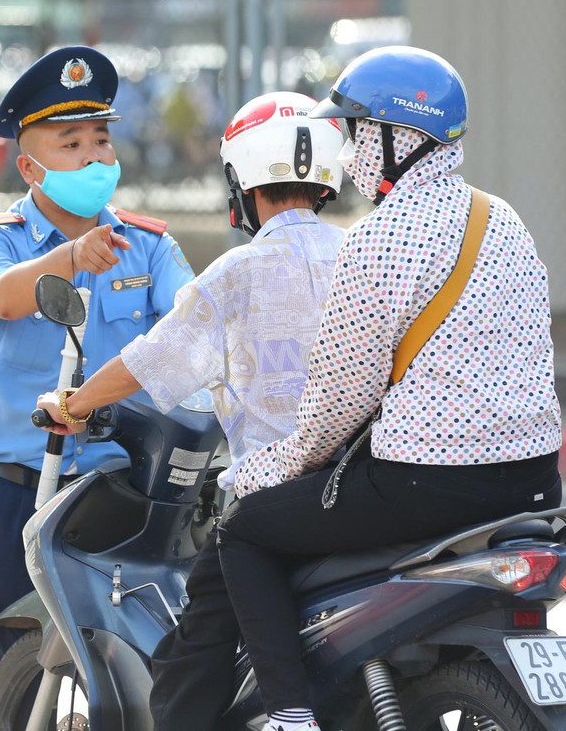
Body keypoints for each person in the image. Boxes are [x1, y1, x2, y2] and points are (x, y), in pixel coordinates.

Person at [215, 46, 564, 731]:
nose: (347, 153)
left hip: (425, 485)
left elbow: (336, 408)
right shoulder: (504, 219)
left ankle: (290, 716)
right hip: (535, 483)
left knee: (245, 530)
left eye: (354, 132)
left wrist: (257, 473)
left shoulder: (377, 239)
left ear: (393, 137)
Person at [36, 92, 347, 731]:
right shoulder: (363, 253)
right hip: (362, 489)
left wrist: (73, 403)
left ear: (242, 182)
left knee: (189, 665)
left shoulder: (240, 271)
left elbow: (152, 360)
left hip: (273, 500)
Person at [0, 46, 195, 684]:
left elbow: (193, 323)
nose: (93, 156)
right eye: (71, 144)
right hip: (11, 493)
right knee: (14, 679)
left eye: (101, 140)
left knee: (126, 675)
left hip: (114, 495)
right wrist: (69, 258)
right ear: (29, 167)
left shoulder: (149, 245)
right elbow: (1, 297)